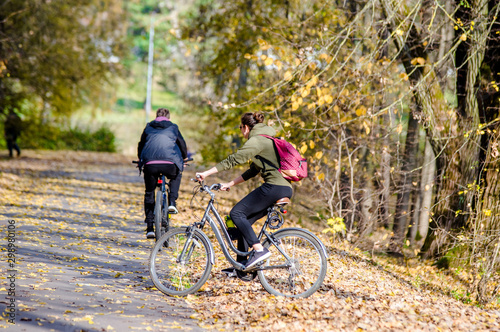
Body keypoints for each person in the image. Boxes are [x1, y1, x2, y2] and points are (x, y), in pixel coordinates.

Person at [196, 112, 293, 271]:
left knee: (236, 214)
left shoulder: (256, 140)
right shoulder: (268, 139)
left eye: (241, 128)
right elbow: (252, 171)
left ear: (246, 127)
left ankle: (259, 250)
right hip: (284, 188)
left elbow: (233, 159)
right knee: (243, 221)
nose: (241, 131)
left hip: (273, 187)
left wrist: (205, 173)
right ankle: (241, 267)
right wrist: (230, 183)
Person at [138, 108, 188, 239]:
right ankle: (172, 202)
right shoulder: (173, 127)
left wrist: (140, 159)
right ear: (169, 118)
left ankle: (150, 228)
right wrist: (184, 159)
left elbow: (141, 144)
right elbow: (182, 145)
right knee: (177, 174)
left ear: (156, 117)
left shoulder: (148, 126)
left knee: (149, 192)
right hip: (169, 164)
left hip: (150, 165)